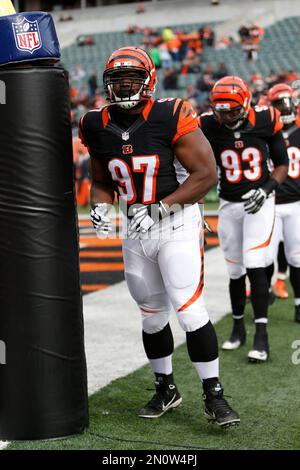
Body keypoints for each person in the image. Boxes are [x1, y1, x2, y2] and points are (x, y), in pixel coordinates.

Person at [79, 46, 240, 427]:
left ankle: (214, 394)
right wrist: (99, 204)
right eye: (116, 80)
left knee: (188, 308)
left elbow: (205, 175)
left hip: (176, 222)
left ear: (148, 80)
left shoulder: (171, 114)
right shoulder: (94, 122)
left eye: (131, 78)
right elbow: (103, 180)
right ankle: (165, 387)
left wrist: (161, 208)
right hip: (135, 227)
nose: (123, 86)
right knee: (151, 316)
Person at [198, 76, 289, 362]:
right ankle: (238, 328)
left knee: (253, 263)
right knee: (235, 271)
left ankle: (261, 336)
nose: (226, 116)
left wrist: (266, 190)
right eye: (221, 110)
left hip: (259, 202)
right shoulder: (207, 124)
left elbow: (282, 164)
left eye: (232, 110)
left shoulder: (266, 118)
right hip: (229, 203)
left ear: (247, 104)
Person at [267, 83, 300, 321]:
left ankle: (299, 303)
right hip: (272, 202)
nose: (285, 107)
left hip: (296, 202)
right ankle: (266, 290)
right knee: (265, 256)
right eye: (279, 103)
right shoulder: (266, 132)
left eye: (287, 102)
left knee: (296, 256)